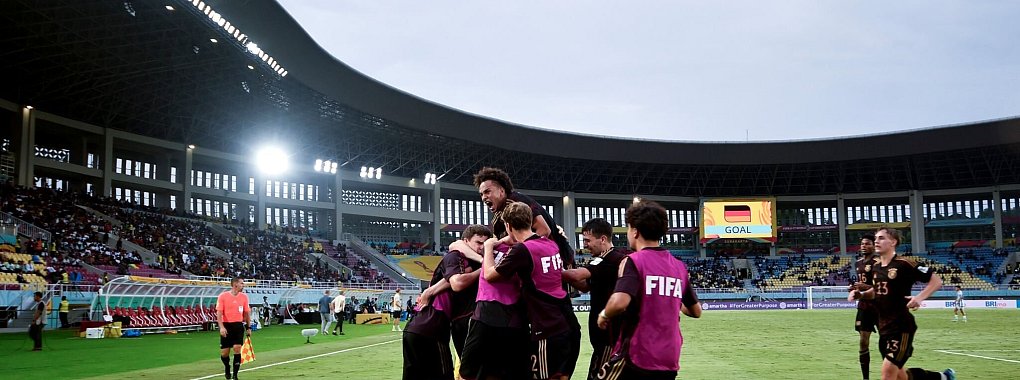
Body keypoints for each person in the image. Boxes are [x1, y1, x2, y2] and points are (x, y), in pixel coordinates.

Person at [597, 200, 702, 380]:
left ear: (635, 231)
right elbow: (695, 311)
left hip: (638, 353)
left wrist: (604, 315)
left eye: (629, 228)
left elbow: (620, 302)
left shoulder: (635, 261)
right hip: (669, 357)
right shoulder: (678, 267)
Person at [485, 202, 579, 380]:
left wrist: (489, 246)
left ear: (508, 226)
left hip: (547, 329)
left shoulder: (522, 250)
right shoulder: (551, 244)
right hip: (568, 323)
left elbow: (490, 275)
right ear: (530, 221)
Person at [849, 227, 955, 380]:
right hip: (884, 328)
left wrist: (919, 298)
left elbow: (936, 281)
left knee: (887, 374)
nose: (876, 241)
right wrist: (861, 294)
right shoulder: (876, 267)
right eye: (876, 238)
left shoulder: (904, 264)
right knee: (901, 376)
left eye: (881, 238)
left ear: (893, 242)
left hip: (901, 328)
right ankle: (942, 377)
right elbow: (877, 292)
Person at [562, 218, 630, 380]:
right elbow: (585, 286)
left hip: (609, 337)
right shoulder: (602, 260)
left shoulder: (611, 259)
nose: (584, 244)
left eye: (587, 240)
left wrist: (548, 268)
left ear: (603, 239)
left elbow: (577, 275)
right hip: (604, 338)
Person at [459, 237, 530, 380]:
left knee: (473, 372)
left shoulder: (519, 249)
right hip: (507, 318)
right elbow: (457, 244)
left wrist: (489, 247)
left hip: (493, 316)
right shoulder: (523, 249)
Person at [852, 233, 878, 380]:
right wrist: (855, 288)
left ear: (874, 245)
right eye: (862, 243)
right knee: (863, 341)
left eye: (867, 243)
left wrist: (865, 286)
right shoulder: (858, 263)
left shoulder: (878, 263)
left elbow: (882, 286)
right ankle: (865, 378)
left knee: (885, 341)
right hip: (864, 305)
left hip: (879, 305)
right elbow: (861, 285)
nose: (864, 246)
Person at [217, 277, 252, 380]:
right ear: (235, 284)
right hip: (226, 325)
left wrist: (248, 327)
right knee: (224, 352)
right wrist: (221, 327)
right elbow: (219, 313)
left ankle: (235, 375)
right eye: (241, 283)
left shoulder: (244, 297)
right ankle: (227, 367)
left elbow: (246, 313)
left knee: (237, 348)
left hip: (238, 325)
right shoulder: (223, 296)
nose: (243, 285)